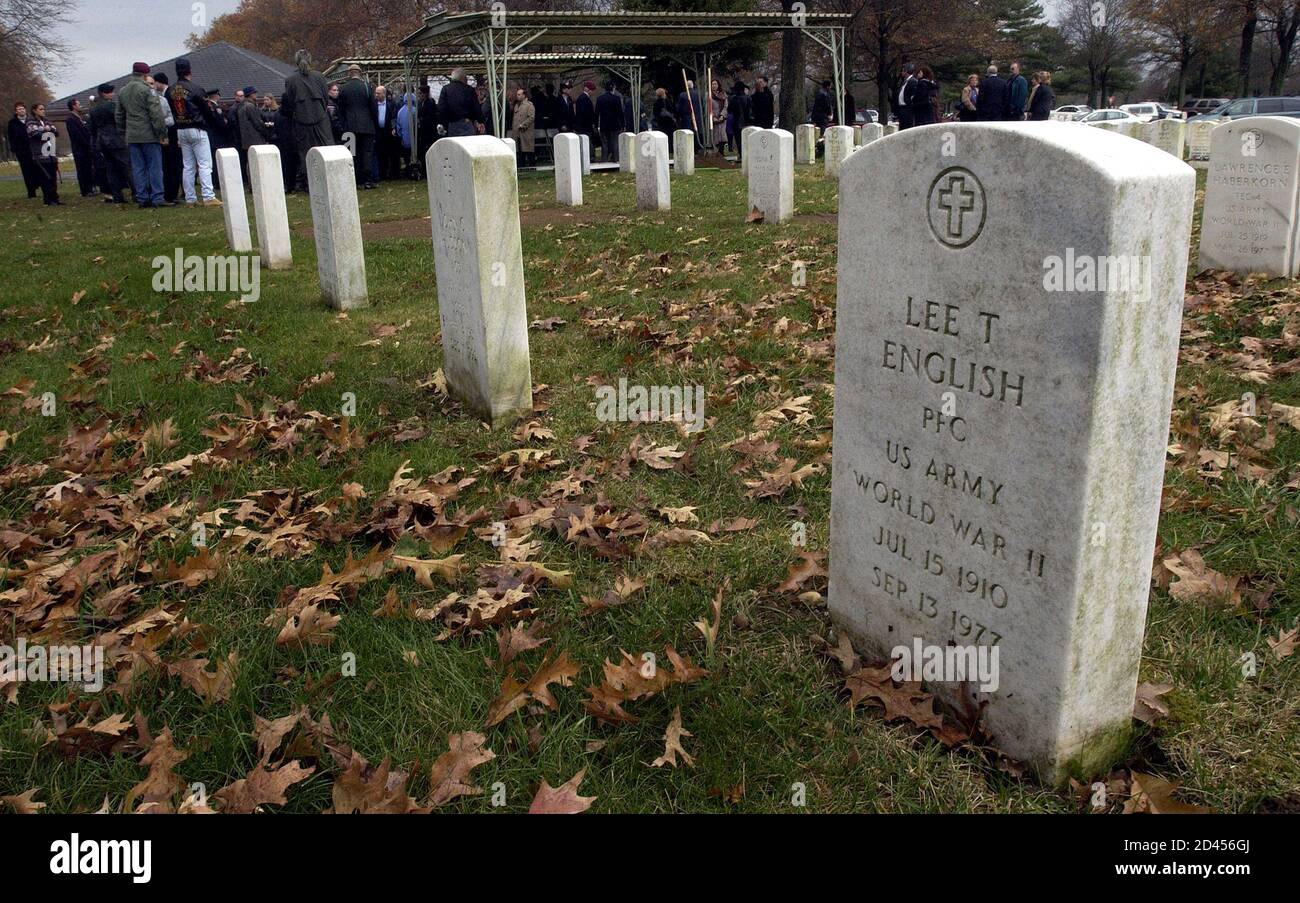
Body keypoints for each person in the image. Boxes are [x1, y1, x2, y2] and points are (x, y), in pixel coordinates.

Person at [166, 58, 220, 206]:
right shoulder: (196, 89)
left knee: (188, 165)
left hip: (180, 129)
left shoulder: (170, 90)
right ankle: (208, 196)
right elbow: (206, 111)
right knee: (204, 164)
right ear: (190, 70)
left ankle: (190, 198)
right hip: (197, 127)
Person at [280, 49, 334, 192]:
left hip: (301, 122)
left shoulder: (290, 80)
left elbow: (289, 101)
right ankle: (328, 180)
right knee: (326, 149)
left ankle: (310, 184)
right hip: (321, 121)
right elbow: (326, 98)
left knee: (305, 153)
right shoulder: (320, 77)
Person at [117, 62, 167, 208]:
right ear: (146, 75)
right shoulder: (147, 90)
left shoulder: (123, 91)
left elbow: (119, 115)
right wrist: (161, 133)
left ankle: (142, 198)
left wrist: (123, 132)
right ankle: (157, 197)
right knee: (154, 167)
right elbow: (156, 114)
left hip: (132, 135)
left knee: (138, 168)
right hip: (149, 135)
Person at [337, 65, 377, 188]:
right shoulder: (367, 87)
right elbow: (373, 108)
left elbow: (340, 109)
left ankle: (355, 180)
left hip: (349, 127)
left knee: (353, 153)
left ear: (349, 73)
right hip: (367, 126)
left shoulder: (343, 88)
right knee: (367, 152)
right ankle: (368, 180)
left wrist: (343, 125)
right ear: (360, 73)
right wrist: (374, 123)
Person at [89, 84, 130, 203]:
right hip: (115, 139)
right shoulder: (111, 106)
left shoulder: (93, 109)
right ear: (105, 93)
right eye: (110, 92)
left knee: (111, 169)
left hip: (102, 141)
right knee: (126, 166)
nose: (113, 94)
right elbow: (120, 119)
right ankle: (137, 193)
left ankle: (117, 196)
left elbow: (92, 128)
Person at [150, 73, 181, 205]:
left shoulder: (166, 96)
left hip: (171, 136)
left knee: (170, 166)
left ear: (158, 82)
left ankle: (170, 193)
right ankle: (171, 193)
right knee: (171, 166)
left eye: (153, 83)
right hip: (169, 135)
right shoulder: (166, 94)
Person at [25, 103, 61, 205]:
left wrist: (46, 130)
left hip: (51, 153)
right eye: (41, 109)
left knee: (53, 176)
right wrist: (47, 131)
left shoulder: (46, 121)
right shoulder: (30, 121)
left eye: (44, 109)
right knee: (45, 177)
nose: (43, 111)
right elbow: (34, 134)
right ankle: (48, 199)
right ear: (34, 110)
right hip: (40, 153)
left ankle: (55, 198)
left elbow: (56, 132)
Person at [439, 67, 482, 138]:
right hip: (466, 123)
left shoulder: (445, 89)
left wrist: (443, 123)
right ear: (462, 78)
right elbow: (476, 108)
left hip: (452, 124)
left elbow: (441, 108)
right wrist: (480, 120)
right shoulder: (469, 90)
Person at [66, 99, 97, 197]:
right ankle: (85, 190)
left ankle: (90, 187)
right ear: (74, 106)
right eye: (79, 104)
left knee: (88, 168)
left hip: (86, 147)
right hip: (80, 148)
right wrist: (86, 143)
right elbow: (76, 135)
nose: (81, 106)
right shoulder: (71, 119)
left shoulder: (80, 118)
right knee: (82, 169)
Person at [6, 103, 38, 198]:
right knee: (26, 170)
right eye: (19, 109)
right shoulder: (12, 123)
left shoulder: (32, 120)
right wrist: (15, 149)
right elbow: (11, 137)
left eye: (22, 108)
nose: (21, 110)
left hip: (34, 149)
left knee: (36, 169)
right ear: (16, 111)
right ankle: (31, 192)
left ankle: (38, 185)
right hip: (22, 151)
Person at [372, 85, 398, 182]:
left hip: (388, 132)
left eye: (378, 93)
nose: (376, 95)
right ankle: (381, 173)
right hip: (378, 132)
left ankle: (392, 173)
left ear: (384, 94)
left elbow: (394, 116)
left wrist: (393, 128)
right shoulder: (373, 104)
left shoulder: (391, 104)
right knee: (380, 153)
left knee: (391, 153)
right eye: (376, 93)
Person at [595, 81, 622, 163]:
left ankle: (604, 159)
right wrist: (623, 124)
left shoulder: (600, 99)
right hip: (615, 124)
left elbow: (597, 113)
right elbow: (620, 113)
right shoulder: (616, 99)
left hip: (604, 124)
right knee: (615, 142)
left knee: (605, 143)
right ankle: (615, 158)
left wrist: (596, 125)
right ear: (613, 88)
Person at [511, 87, 535, 167]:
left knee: (528, 150)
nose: (517, 96)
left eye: (519, 94)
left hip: (526, 132)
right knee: (520, 151)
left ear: (524, 95)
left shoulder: (529, 105)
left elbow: (531, 117)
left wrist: (523, 125)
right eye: (517, 94)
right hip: (517, 133)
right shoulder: (516, 105)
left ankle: (532, 167)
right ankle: (521, 167)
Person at [416, 83, 437, 171]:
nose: (419, 95)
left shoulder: (430, 103)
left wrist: (421, 120)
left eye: (421, 93)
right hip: (422, 132)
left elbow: (431, 117)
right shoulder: (420, 103)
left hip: (429, 132)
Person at [728, 81, 751, 157]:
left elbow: (729, 110)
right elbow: (750, 111)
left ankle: (741, 154)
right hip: (746, 122)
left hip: (736, 121)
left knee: (738, 140)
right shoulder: (748, 98)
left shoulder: (733, 99)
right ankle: (746, 154)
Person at [895, 63, 917, 130]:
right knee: (902, 126)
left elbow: (913, 95)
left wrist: (910, 103)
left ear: (907, 71)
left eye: (903, 70)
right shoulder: (905, 81)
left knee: (907, 126)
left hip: (908, 108)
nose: (902, 72)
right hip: (902, 108)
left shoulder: (912, 81)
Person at [576, 80, 596, 146]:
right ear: (588, 90)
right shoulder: (585, 99)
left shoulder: (581, 98)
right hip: (585, 126)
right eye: (592, 90)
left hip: (582, 125)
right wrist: (592, 122)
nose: (592, 93)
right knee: (586, 143)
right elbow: (585, 112)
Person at [710, 79, 728, 148]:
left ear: (718, 85)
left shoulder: (723, 94)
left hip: (722, 118)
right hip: (713, 119)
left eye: (715, 84)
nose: (714, 86)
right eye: (712, 84)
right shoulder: (709, 95)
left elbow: (726, 106)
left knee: (722, 136)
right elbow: (708, 108)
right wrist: (713, 117)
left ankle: (722, 151)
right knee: (715, 136)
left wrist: (722, 115)